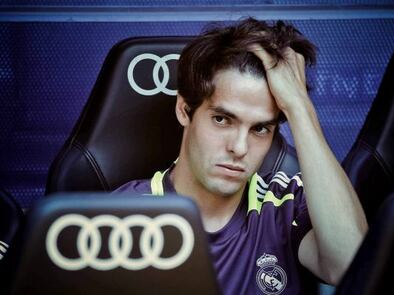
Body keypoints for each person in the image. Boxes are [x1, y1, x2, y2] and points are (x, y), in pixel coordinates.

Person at [114, 18, 368, 295]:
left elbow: (352, 267)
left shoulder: (285, 204)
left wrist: (299, 108)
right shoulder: (121, 218)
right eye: (222, 119)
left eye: (260, 128)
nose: (239, 147)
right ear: (184, 110)